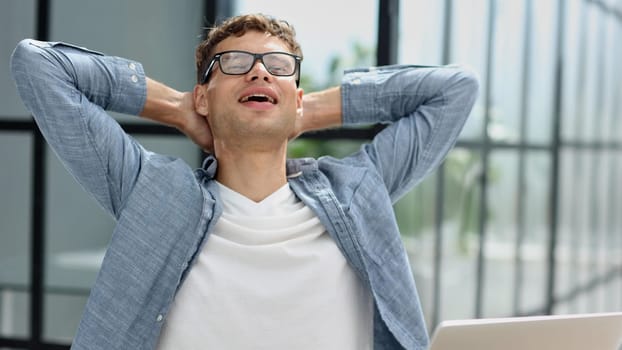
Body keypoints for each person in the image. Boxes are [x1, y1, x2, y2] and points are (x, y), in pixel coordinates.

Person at [10, 13, 478, 350]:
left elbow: (455, 89)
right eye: (234, 64)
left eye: (277, 67)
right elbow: (39, 66)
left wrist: (308, 110)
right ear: (203, 98)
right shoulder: (151, 194)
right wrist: (175, 108)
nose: (258, 70)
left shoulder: (356, 190)